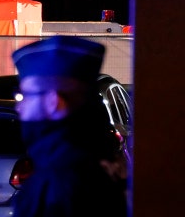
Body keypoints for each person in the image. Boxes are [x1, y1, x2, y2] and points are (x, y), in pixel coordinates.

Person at [10, 35, 128, 217]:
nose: (19, 106)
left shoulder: (59, 178)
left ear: (53, 101)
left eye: (25, 95)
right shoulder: (96, 159)